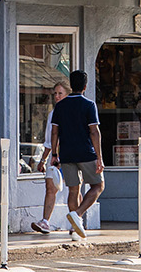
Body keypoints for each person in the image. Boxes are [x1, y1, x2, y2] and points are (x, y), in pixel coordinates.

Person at [50, 69, 104, 240]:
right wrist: (99, 157)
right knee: (98, 186)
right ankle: (78, 215)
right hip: (86, 153)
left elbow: (54, 132)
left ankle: (75, 229)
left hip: (66, 154)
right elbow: (94, 132)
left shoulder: (60, 106)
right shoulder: (89, 105)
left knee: (74, 190)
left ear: (71, 86)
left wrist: (54, 154)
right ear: (85, 87)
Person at [31, 81, 69, 233]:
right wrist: (44, 159)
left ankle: (77, 219)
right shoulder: (53, 114)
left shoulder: (72, 112)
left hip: (69, 155)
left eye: (60, 93)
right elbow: (49, 139)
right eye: (55, 93)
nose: (57, 96)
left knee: (74, 188)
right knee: (50, 187)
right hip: (54, 156)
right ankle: (45, 221)